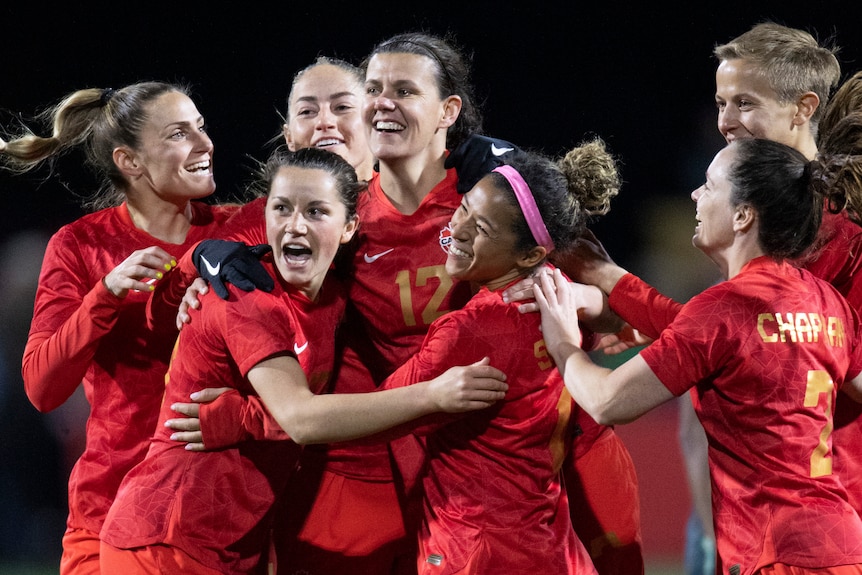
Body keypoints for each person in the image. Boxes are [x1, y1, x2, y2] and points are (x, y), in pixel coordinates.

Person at [99, 146, 508, 575]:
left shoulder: (331, 300)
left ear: (349, 226)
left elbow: (302, 409)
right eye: (282, 209)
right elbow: (302, 417)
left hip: (230, 545)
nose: (295, 225)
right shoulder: (243, 294)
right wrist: (434, 395)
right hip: (165, 538)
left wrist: (251, 418)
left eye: (315, 211)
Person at [534, 137, 862, 575]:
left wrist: (561, 341)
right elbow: (723, 339)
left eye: (709, 185)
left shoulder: (724, 308)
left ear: (743, 215)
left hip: (776, 554)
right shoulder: (825, 300)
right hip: (840, 543)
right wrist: (612, 282)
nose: (695, 195)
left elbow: (607, 400)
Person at [0, 81, 239, 575]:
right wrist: (104, 296)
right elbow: (43, 389)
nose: (204, 144)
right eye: (179, 133)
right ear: (130, 162)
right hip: (108, 514)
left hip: (219, 517)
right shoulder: (80, 246)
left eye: (202, 127)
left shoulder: (243, 229)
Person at [378, 141, 622, 574]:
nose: (461, 228)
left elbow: (381, 410)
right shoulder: (562, 304)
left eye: (484, 228)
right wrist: (586, 295)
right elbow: (622, 316)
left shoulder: (466, 332)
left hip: (470, 550)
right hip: (553, 547)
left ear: (530, 255)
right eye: (465, 207)